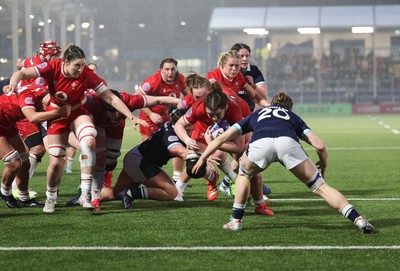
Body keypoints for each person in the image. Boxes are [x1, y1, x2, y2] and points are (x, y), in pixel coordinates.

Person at [191, 91, 375, 234]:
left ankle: (236, 221)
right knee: (321, 187)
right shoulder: (291, 116)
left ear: (272, 103)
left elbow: (221, 138)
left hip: (260, 144)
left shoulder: (259, 113)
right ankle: (359, 220)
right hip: (288, 144)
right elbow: (319, 145)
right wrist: (323, 167)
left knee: (244, 175)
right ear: (289, 108)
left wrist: (202, 157)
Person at [6, 43, 147, 213]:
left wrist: (131, 116)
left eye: (82, 64)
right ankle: (50, 199)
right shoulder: (53, 66)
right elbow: (21, 72)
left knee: (89, 139)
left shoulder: (86, 73)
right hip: (56, 114)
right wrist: (13, 84)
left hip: (78, 111)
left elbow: (111, 98)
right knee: (57, 159)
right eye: (77, 65)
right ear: (65, 62)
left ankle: (85, 196)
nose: (81, 69)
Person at [66, 89, 181, 210]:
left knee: (111, 162)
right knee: (98, 157)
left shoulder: (130, 101)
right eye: (112, 111)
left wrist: (181, 101)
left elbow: (158, 99)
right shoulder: (93, 101)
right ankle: (89, 192)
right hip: (98, 126)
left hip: (116, 131)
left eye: (118, 110)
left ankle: (93, 192)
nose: (116, 115)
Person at [100, 107, 213, 209]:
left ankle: (89, 195)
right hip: (140, 162)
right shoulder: (171, 135)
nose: (189, 132)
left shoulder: (174, 126)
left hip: (136, 158)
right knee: (172, 193)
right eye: (187, 129)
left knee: (115, 193)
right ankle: (129, 193)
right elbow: (178, 151)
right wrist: (204, 157)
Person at [207, 50, 271, 200]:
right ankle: (180, 186)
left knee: (245, 154)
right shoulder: (213, 77)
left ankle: (231, 182)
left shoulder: (239, 78)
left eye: (237, 66)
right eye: (231, 65)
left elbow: (255, 96)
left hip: (237, 120)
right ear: (223, 64)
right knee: (241, 155)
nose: (235, 69)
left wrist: (270, 108)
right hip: (217, 121)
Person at [0, 85, 71, 208]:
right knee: (14, 163)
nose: (47, 108)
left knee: (25, 162)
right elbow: (32, 117)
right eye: (49, 104)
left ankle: (24, 198)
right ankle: (5, 192)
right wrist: (58, 112)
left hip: (8, 123)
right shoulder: (28, 97)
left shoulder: (43, 90)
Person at [11, 41, 62, 198]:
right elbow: (42, 95)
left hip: (33, 108)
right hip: (27, 110)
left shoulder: (31, 61)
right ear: (46, 54)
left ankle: (20, 187)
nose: (58, 57)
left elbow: (20, 63)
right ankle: (15, 188)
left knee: (51, 149)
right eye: (55, 54)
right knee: (38, 149)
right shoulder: (40, 68)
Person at [134, 58, 188, 185]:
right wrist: (151, 113)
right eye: (167, 69)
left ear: (176, 69)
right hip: (150, 119)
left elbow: (188, 96)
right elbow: (136, 99)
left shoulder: (180, 78)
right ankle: (146, 177)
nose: (170, 72)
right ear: (161, 70)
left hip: (169, 118)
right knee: (149, 151)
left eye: (172, 69)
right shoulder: (152, 81)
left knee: (179, 144)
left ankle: (177, 178)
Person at [64, 63, 97, 174]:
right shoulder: (78, 83)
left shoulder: (97, 86)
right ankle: (68, 166)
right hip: (74, 119)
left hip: (88, 120)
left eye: (93, 70)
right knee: (78, 147)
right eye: (90, 69)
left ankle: (85, 178)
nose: (91, 72)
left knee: (87, 147)